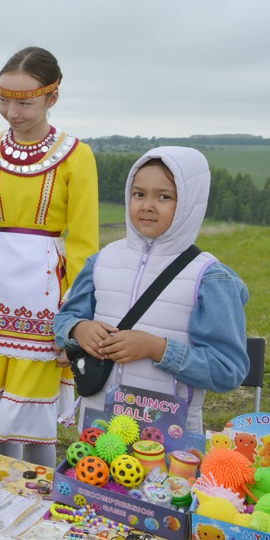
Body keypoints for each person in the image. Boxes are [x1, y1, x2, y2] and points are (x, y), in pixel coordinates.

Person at [0, 47, 99, 467]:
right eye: (4, 100)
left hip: (46, 291)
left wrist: (76, 311)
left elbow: (85, 240)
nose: (11, 112)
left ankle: (36, 485)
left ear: (52, 98)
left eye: (24, 103)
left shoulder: (76, 156)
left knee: (33, 397)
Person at [54, 147, 249, 432]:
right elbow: (64, 320)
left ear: (189, 204)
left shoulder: (208, 277)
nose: (147, 205)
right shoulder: (101, 261)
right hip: (98, 428)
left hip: (170, 437)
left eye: (164, 196)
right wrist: (78, 330)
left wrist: (157, 348)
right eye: (139, 194)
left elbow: (227, 370)